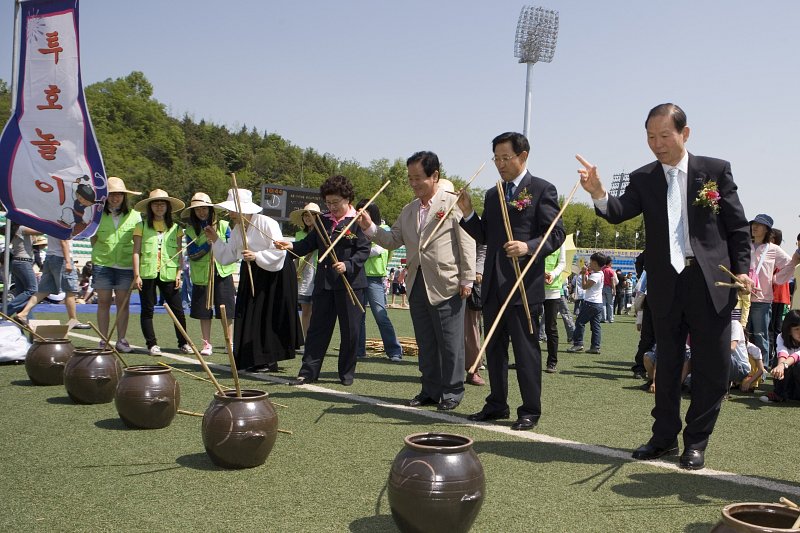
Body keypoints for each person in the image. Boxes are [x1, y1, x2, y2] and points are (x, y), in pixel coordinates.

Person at [576, 103, 753, 470]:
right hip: (666, 282)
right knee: (668, 363)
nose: (657, 144)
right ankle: (663, 438)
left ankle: (696, 442)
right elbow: (618, 210)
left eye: (664, 136)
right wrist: (597, 192)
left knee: (713, 367)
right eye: (650, 137)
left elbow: (737, 227)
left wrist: (743, 271)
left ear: (685, 134)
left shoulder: (715, 171)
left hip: (711, 280)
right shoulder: (644, 178)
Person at [458, 131, 565, 430]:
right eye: (496, 158)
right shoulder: (493, 194)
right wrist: (467, 213)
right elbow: (486, 237)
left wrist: (528, 247)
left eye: (506, 158)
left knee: (526, 350)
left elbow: (556, 234)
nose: (501, 164)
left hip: (523, 287)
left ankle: (530, 409)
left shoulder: (543, 189)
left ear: (523, 156)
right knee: (494, 350)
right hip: (493, 284)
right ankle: (496, 403)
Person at [358, 157, 475, 409]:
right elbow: (392, 240)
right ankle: (430, 390)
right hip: (416, 282)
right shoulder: (409, 209)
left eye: (417, 178)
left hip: (447, 282)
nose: (413, 183)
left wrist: (468, 277)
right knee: (425, 340)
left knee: (450, 341)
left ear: (434, 176)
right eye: (410, 178)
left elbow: (467, 241)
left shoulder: (453, 202)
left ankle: (453, 391)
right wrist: (370, 228)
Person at [277, 175, 369, 386]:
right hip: (325, 284)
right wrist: (290, 246)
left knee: (351, 331)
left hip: (351, 286)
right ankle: (308, 372)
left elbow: (363, 250)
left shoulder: (358, 220)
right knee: (318, 329)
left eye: (335, 203)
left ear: (347, 199)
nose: (331, 207)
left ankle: (346, 373)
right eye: (328, 203)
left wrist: (348, 265)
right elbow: (307, 245)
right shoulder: (322, 220)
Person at [207, 188, 300, 373]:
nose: (230, 213)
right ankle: (252, 357)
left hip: (275, 274)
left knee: (268, 315)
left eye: (233, 209)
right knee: (249, 313)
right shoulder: (236, 230)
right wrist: (215, 239)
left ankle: (268, 359)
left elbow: (279, 250)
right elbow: (228, 256)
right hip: (252, 272)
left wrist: (256, 255)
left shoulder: (266, 223)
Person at [132, 189, 189, 355]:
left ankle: (183, 343)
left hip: (169, 273)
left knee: (177, 310)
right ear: (150, 207)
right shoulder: (140, 226)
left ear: (168, 207)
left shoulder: (176, 228)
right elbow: (136, 251)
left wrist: (179, 273)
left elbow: (179, 253)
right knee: (147, 310)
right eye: (156, 203)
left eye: (162, 203)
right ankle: (152, 344)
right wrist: (137, 275)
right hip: (147, 273)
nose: (159, 207)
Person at [89, 177, 141, 352]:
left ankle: (121, 340)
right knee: (103, 302)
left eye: (119, 194)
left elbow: (138, 242)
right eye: (111, 194)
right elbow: (93, 238)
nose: (115, 198)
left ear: (124, 196)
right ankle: (103, 340)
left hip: (126, 265)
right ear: (105, 197)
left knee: (122, 303)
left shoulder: (135, 216)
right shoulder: (96, 214)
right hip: (102, 263)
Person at [183, 192, 236, 357]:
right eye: (197, 209)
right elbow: (192, 254)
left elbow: (231, 247)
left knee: (226, 310)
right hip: (202, 275)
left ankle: (229, 342)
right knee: (204, 310)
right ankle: (206, 343)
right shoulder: (191, 230)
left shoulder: (223, 225)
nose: (201, 212)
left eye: (204, 208)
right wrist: (207, 245)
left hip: (222, 272)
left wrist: (217, 240)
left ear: (210, 209)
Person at [354, 200, 403, 362]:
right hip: (357, 275)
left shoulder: (385, 229)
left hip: (375, 278)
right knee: (358, 316)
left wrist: (359, 252)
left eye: (364, 212)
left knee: (381, 315)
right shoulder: (354, 228)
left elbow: (379, 249)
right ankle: (359, 350)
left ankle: (394, 351)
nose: (361, 215)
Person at [747, 214, 794, 368]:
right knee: (742, 335)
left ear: (767, 229)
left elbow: (791, 265)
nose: (755, 227)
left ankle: (764, 368)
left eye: (759, 225)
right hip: (741, 297)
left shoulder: (773, 249)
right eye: (754, 224)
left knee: (761, 335)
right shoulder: (744, 245)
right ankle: (746, 368)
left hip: (762, 299)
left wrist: (776, 278)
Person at [14, 236, 90, 329]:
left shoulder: (54, 222)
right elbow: (63, 240)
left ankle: (23, 313)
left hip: (50, 257)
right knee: (70, 290)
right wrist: (68, 262)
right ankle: (73, 320)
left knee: (43, 291)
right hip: (61, 258)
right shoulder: (65, 223)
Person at [289, 202, 321, 345]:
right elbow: (296, 254)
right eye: (305, 215)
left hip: (319, 271)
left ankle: (315, 340)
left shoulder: (323, 234)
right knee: (306, 309)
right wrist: (296, 271)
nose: (307, 218)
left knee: (318, 310)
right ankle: (306, 340)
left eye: (311, 215)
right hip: (304, 272)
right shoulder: (299, 234)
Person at [567, 252, 605, 354]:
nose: (589, 263)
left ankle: (578, 344)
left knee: (580, 322)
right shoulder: (601, 273)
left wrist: (584, 274)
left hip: (590, 302)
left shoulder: (595, 276)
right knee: (596, 325)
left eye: (591, 262)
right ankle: (595, 346)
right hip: (598, 303)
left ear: (596, 264)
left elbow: (584, 286)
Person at [760, 309, 800, 403]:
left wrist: (783, 365)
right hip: (791, 384)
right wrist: (780, 367)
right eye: (797, 329)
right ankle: (779, 394)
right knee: (778, 360)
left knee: (797, 364)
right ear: (789, 331)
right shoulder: (781, 337)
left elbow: (797, 355)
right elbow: (782, 352)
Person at [542, 245, 570, 371]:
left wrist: (552, 274)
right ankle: (526, 360)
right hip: (533, 287)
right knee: (528, 324)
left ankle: (552, 362)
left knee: (551, 327)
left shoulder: (559, 240)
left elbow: (562, 263)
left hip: (553, 290)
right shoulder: (533, 233)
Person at [5, 222, 40, 316]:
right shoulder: (22, 228)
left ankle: (22, 317)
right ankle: (4, 310)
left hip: (18, 262)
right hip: (23, 262)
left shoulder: (16, 230)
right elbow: (40, 231)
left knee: (22, 292)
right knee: (33, 290)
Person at [465, 244, 487, 386]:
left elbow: (483, 247)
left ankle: (473, 369)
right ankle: (442, 370)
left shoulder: (472, 221)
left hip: (470, 280)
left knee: (471, 329)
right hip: (444, 279)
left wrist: (478, 270)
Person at [770, 229, 790, 362]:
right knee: (775, 328)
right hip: (779, 296)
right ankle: (776, 357)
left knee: (773, 328)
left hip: (776, 295)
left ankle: (776, 358)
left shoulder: (775, 252)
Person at [601, 257, 616, 322]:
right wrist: (614, 289)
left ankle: (603, 318)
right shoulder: (611, 270)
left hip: (602, 287)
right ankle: (610, 318)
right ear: (609, 263)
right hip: (609, 287)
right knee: (610, 304)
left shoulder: (602, 269)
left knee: (603, 303)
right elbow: (612, 281)